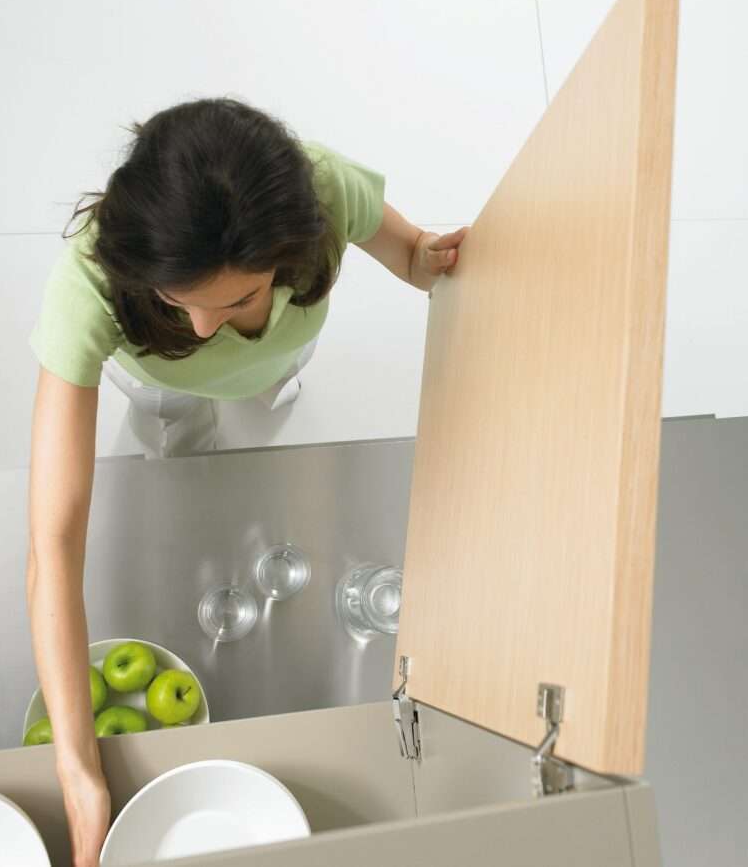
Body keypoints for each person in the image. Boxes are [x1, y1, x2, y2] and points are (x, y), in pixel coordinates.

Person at [26, 97, 467, 866]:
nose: (202, 329)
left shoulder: (322, 190)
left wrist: (432, 259)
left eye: (239, 299)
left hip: (280, 364)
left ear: (291, 251)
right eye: (177, 299)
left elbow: (407, 251)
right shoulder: (90, 282)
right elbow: (53, 544)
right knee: (174, 424)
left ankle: (264, 389)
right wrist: (78, 770)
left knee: (268, 401)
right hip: (159, 386)